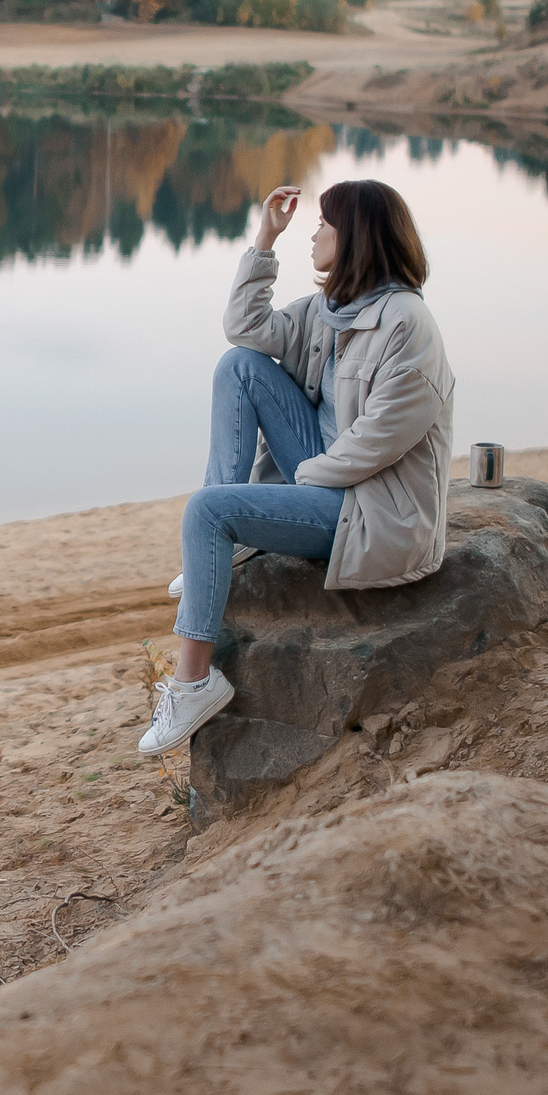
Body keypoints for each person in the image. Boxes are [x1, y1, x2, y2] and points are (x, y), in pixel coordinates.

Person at [141, 179, 455, 756]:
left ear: (355, 236)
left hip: (370, 505)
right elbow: (244, 329)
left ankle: (193, 683)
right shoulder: (327, 310)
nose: (312, 233)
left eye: (324, 224)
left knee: (209, 513)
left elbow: (376, 442)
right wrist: (264, 240)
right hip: (324, 471)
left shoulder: (409, 325)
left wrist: (297, 482)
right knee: (237, 366)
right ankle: (230, 545)